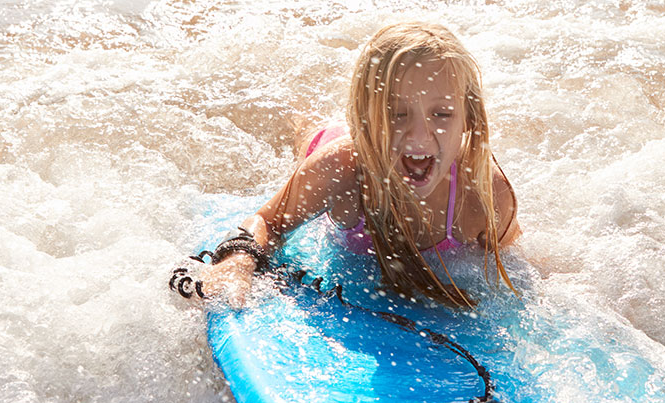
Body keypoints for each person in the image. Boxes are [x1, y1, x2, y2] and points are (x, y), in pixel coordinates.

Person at [201, 22, 520, 308]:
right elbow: (268, 222)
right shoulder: (338, 171)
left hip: (379, 145)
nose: (419, 135)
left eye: (442, 114)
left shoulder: (483, 195)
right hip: (340, 146)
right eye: (397, 113)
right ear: (365, 119)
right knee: (306, 131)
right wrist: (239, 260)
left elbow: (514, 259)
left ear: (469, 119)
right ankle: (295, 111)